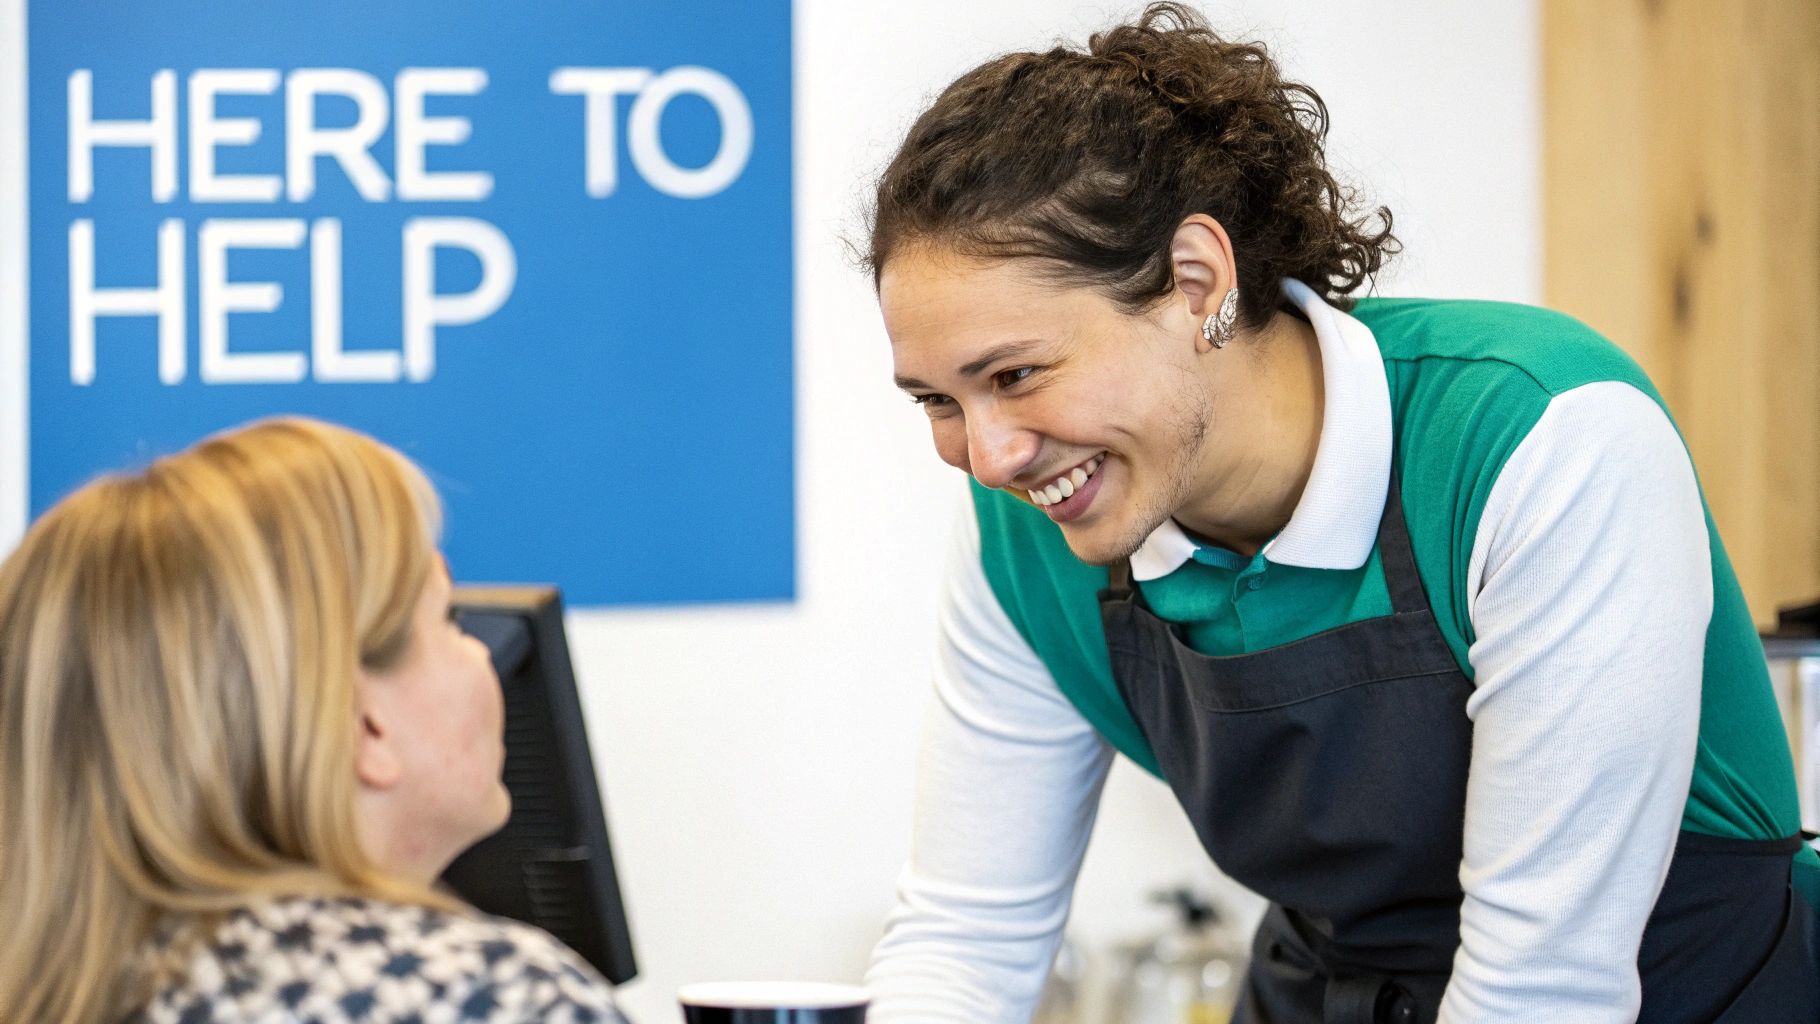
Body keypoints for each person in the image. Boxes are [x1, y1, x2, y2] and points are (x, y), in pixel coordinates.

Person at [860, 5, 1819, 1022]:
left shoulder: (1534, 435)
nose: (988, 453)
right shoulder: (1027, 539)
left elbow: (1541, 991)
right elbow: (963, 946)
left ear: (1195, 282)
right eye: (934, 400)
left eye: (1015, 372)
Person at [0, 417, 624, 1023]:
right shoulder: (495, 997)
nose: (484, 653)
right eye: (447, 622)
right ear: (366, 724)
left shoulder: (54, 988)